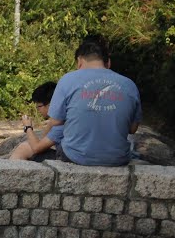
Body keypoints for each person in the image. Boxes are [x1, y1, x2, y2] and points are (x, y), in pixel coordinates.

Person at [48, 34, 142, 166]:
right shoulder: (129, 85)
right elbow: (132, 129)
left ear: (79, 61)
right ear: (108, 62)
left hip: (75, 157)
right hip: (118, 159)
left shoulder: (67, 80)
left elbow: (55, 121)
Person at [9, 82, 63, 161]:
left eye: (39, 106)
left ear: (49, 104)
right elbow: (44, 139)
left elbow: (37, 148)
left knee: (23, 148)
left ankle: (9, 172)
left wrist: (28, 127)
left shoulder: (60, 122)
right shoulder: (60, 117)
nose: (38, 110)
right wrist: (52, 120)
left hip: (66, 159)